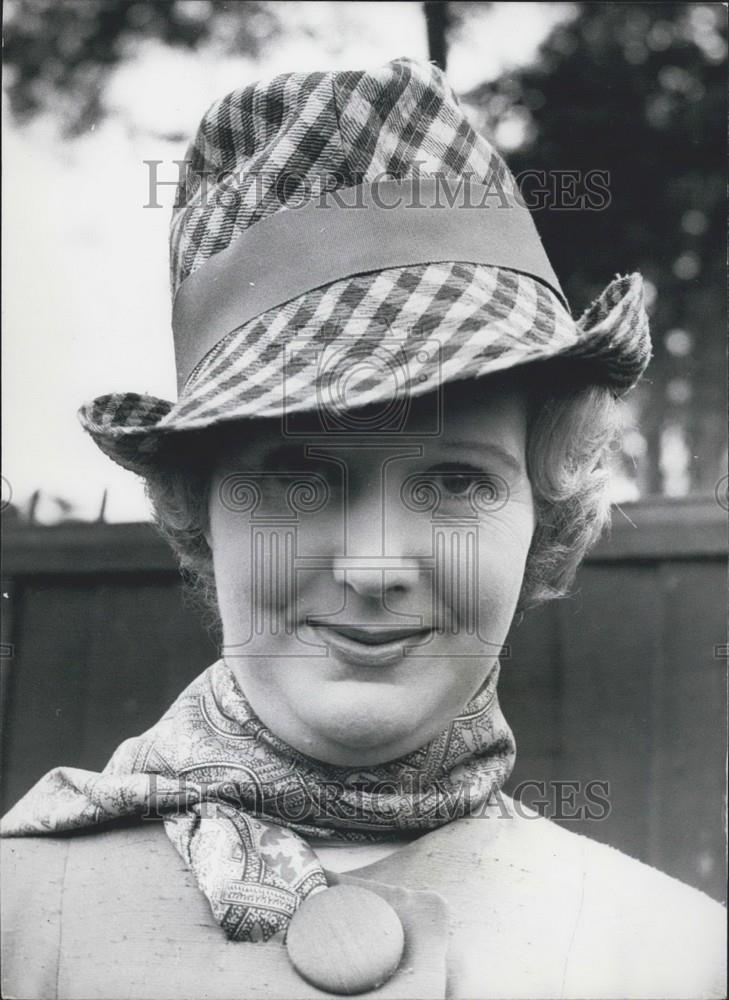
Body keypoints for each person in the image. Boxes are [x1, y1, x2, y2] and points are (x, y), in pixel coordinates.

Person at [1, 58, 724, 1000]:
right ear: (200, 513)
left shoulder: (674, 960)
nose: (377, 562)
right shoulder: (17, 922)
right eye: (299, 478)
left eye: (458, 480)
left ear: (542, 520)